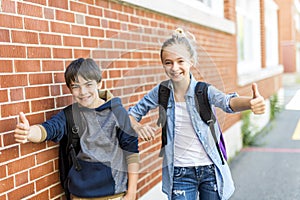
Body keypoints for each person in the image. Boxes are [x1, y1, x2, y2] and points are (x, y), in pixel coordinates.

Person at [128, 28, 266, 200]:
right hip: (179, 173)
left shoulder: (203, 91)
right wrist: (138, 126)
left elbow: (227, 102)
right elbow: (132, 114)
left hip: (209, 170)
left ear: (191, 61)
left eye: (180, 61)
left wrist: (249, 103)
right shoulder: (161, 92)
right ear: (163, 64)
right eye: (168, 62)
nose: (174, 68)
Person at [14, 58, 139, 200]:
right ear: (70, 89)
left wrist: (132, 192)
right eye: (76, 86)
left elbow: (131, 151)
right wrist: (29, 132)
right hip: (79, 196)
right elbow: (48, 129)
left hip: (113, 195)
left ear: (99, 83)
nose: (83, 92)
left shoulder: (117, 113)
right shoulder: (69, 115)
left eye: (88, 84)